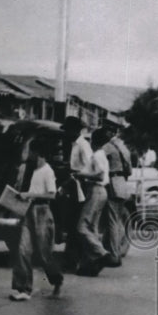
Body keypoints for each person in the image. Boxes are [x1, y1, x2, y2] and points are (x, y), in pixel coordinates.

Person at [9, 139, 64, 301]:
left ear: (37, 153)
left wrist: (30, 195)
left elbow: (52, 195)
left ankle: (57, 281)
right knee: (22, 249)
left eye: (30, 151)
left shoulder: (47, 171)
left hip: (42, 212)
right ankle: (23, 288)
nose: (28, 155)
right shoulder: (28, 170)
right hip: (28, 210)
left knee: (44, 253)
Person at [74, 126, 112, 276]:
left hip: (96, 190)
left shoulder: (96, 156)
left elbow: (100, 175)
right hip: (101, 191)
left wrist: (82, 175)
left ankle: (102, 253)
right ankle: (93, 263)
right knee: (93, 227)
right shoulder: (101, 154)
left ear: (94, 141)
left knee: (82, 227)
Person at [61, 115, 93, 271]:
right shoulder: (74, 144)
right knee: (71, 222)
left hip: (80, 184)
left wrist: (77, 174)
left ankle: (75, 259)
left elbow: (89, 167)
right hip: (74, 182)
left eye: (68, 130)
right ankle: (70, 258)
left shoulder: (83, 145)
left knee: (76, 222)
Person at [100, 124, 133, 265]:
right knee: (118, 220)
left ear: (110, 132)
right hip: (122, 184)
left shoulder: (107, 147)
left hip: (112, 183)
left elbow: (97, 161)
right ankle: (115, 250)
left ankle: (114, 254)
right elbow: (129, 171)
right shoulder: (124, 147)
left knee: (112, 221)